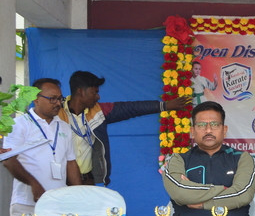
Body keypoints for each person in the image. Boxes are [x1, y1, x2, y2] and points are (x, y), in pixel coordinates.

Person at [161, 101, 255, 216]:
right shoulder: (179, 159)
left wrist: (201, 203)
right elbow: (180, 193)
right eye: (201, 125)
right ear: (192, 131)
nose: (208, 130)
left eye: (214, 124)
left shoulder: (242, 159)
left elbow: (242, 194)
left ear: (224, 129)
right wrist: (223, 190)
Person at [58, 70, 191, 186]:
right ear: (80, 91)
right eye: (95, 92)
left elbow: (131, 108)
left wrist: (164, 106)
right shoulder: (56, 114)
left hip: (88, 180)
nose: (98, 97)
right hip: (61, 180)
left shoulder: (99, 112)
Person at [2, 78, 81, 216]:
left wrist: (79, 195)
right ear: (35, 99)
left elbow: (71, 163)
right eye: (52, 98)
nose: (58, 103)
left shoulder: (64, 127)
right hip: (26, 204)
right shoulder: (19, 124)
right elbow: (9, 160)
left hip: (57, 206)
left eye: (60, 99)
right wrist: (33, 184)